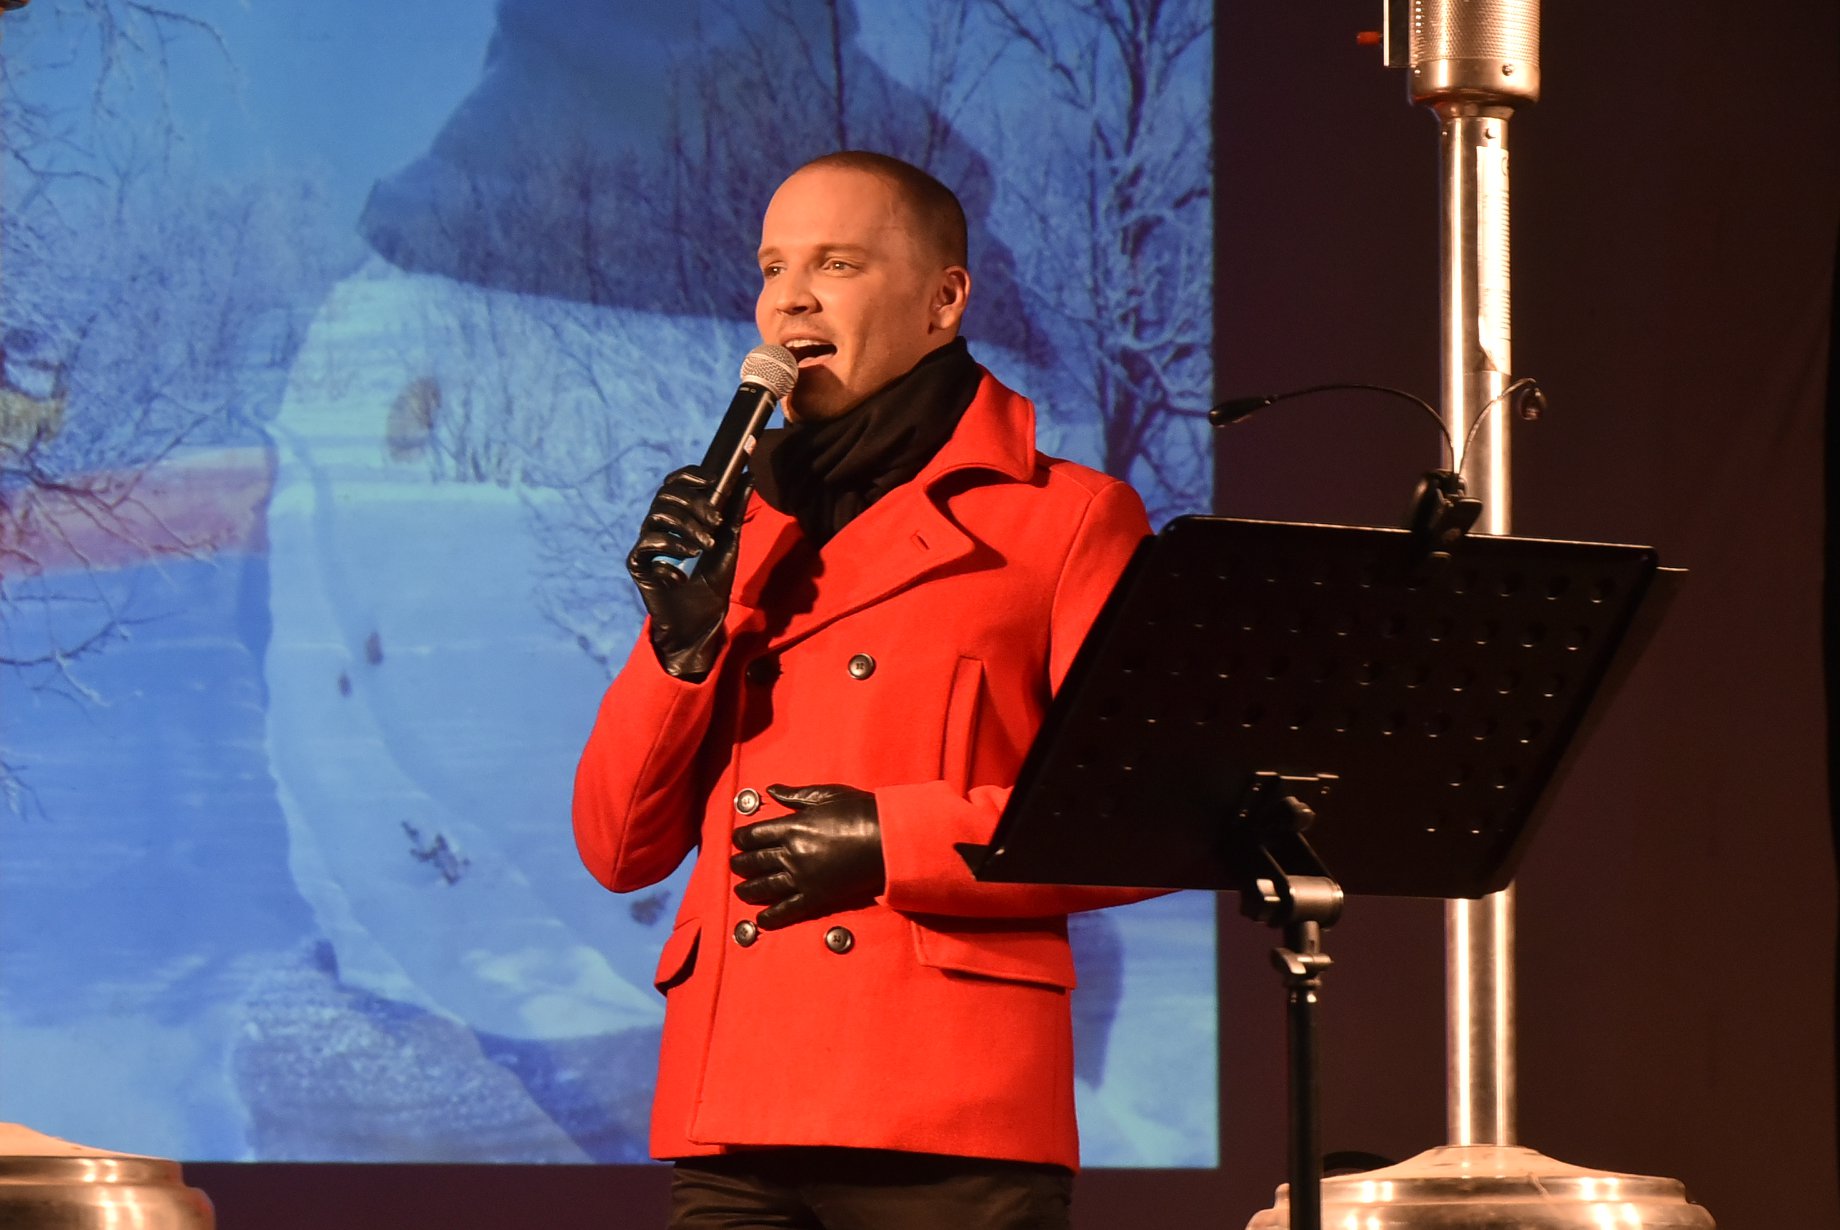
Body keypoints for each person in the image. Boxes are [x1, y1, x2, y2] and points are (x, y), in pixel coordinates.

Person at [572, 150, 1152, 1229]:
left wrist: (893, 839)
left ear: (944, 300)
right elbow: (616, 850)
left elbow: (1139, 816)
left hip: (947, 1113)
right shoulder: (740, 530)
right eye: (772, 267)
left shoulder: (1065, 520)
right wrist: (679, 649)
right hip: (735, 1112)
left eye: (835, 264)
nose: (789, 297)